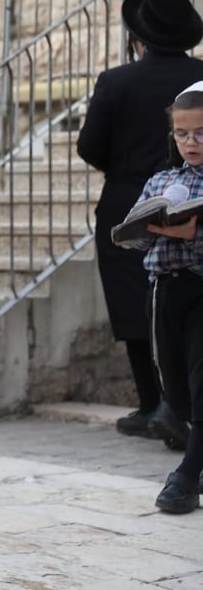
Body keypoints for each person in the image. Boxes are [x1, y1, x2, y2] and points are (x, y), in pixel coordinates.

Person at [77, 0, 203, 448]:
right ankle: (183, 407)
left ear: (139, 37)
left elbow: (89, 145)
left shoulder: (116, 80)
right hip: (198, 197)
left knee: (135, 306)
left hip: (130, 199)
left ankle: (153, 403)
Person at [116, 81, 203, 514]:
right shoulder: (162, 179)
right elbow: (138, 235)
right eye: (182, 134)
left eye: (201, 133)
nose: (191, 143)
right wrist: (157, 226)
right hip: (165, 291)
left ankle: (186, 477)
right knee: (175, 389)